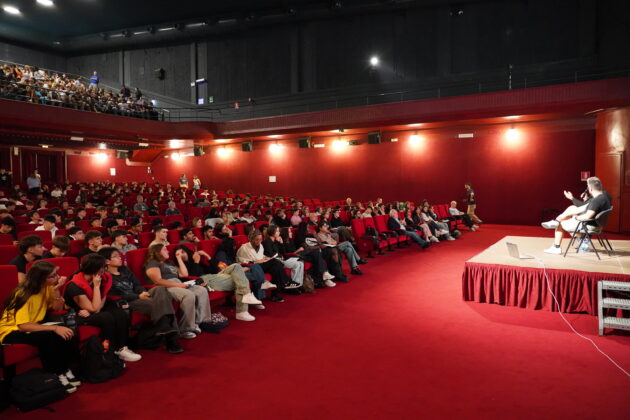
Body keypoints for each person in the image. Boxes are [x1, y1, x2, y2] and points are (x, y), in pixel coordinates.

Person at [0, 261, 80, 393]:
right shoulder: (23, 293)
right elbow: (23, 326)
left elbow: (57, 308)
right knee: (49, 336)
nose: (57, 277)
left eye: (56, 274)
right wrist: (54, 328)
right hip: (11, 331)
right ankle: (56, 374)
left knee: (66, 330)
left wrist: (57, 288)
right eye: (52, 276)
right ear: (41, 278)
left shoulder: (47, 287)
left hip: (33, 324)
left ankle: (65, 368)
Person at [99, 247, 183, 354]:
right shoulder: (105, 276)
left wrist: (142, 292)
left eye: (119, 255)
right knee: (156, 303)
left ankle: (166, 329)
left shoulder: (124, 269)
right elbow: (115, 295)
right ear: (107, 261)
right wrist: (138, 296)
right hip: (130, 301)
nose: (120, 258)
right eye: (116, 256)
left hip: (140, 294)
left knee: (160, 289)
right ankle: (171, 338)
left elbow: (137, 284)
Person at [65, 253, 141, 362]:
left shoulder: (103, 278)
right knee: (106, 317)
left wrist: (96, 308)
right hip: (77, 313)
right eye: (103, 267)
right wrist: (96, 287)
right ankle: (108, 351)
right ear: (95, 269)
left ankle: (122, 348)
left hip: (93, 307)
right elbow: (94, 309)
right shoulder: (75, 285)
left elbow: (101, 300)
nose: (105, 269)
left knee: (120, 313)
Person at [174, 245, 262, 321]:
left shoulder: (195, 260)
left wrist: (207, 256)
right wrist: (186, 260)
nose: (182, 255)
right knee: (239, 278)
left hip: (214, 276)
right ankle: (243, 308)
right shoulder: (180, 266)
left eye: (183, 252)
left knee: (236, 266)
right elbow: (190, 276)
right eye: (178, 254)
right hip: (206, 281)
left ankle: (244, 301)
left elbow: (214, 269)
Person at [144, 243, 213, 339]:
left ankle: (200, 322)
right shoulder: (153, 263)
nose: (168, 251)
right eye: (164, 249)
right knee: (188, 295)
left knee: (201, 290)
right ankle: (185, 329)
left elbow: (184, 274)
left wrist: (179, 259)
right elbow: (158, 281)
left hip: (178, 283)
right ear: (157, 252)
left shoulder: (169, 263)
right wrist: (179, 285)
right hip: (165, 287)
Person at [541, 177, 611, 254]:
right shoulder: (604, 196)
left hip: (590, 226)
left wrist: (575, 218)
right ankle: (556, 221)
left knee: (560, 224)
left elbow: (586, 217)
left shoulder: (596, 200)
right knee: (572, 209)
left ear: (590, 188)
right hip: (598, 225)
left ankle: (556, 247)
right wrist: (569, 214)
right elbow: (583, 208)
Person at [236, 229, 292, 302]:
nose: (259, 241)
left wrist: (266, 258)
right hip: (252, 267)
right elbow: (241, 261)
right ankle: (287, 282)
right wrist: (256, 261)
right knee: (275, 262)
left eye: (260, 239)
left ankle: (275, 295)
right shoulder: (244, 248)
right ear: (251, 239)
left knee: (276, 268)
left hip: (261, 265)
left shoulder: (261, 246)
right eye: (257, 240)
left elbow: (260, 256)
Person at [263, 225, 304, 290]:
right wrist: (277, 245)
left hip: (282, 259)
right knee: (296, 264)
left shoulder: (275, 241)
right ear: (272, 232)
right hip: (276, 262)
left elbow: (283, 252)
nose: (279, 233)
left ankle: (298, 284)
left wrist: (281, 243)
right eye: (277, 231)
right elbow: (271, 255)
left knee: (301, 263)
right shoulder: (267, 241)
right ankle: (293, 286)